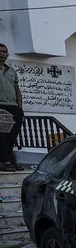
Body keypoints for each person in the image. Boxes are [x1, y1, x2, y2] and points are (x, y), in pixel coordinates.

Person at [0, 44, 23, 172]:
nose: (2, 54)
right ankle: (3, 161)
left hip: (13, 107)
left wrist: (20, 109)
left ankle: (10, 161)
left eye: (5, 52)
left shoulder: (11, 71)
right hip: (1, 106)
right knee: (2, 135)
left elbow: (17, 90)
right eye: (0, 51)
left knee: (12, 135)